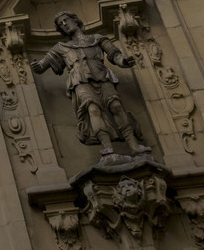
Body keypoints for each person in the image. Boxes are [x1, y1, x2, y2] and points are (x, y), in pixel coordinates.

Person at [31, 11, 151, 156]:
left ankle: (134, 146)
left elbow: (114, 54)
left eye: (65, 20)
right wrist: (37, 66)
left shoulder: (97, 38)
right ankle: (108, 148)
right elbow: (42, 65)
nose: (64, 24)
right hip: (79, 80)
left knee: (117, 106)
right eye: (60, 24)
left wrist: (123, 61)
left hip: (102, 76)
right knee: (93, 110)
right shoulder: (61, 47)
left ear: (75, 20)